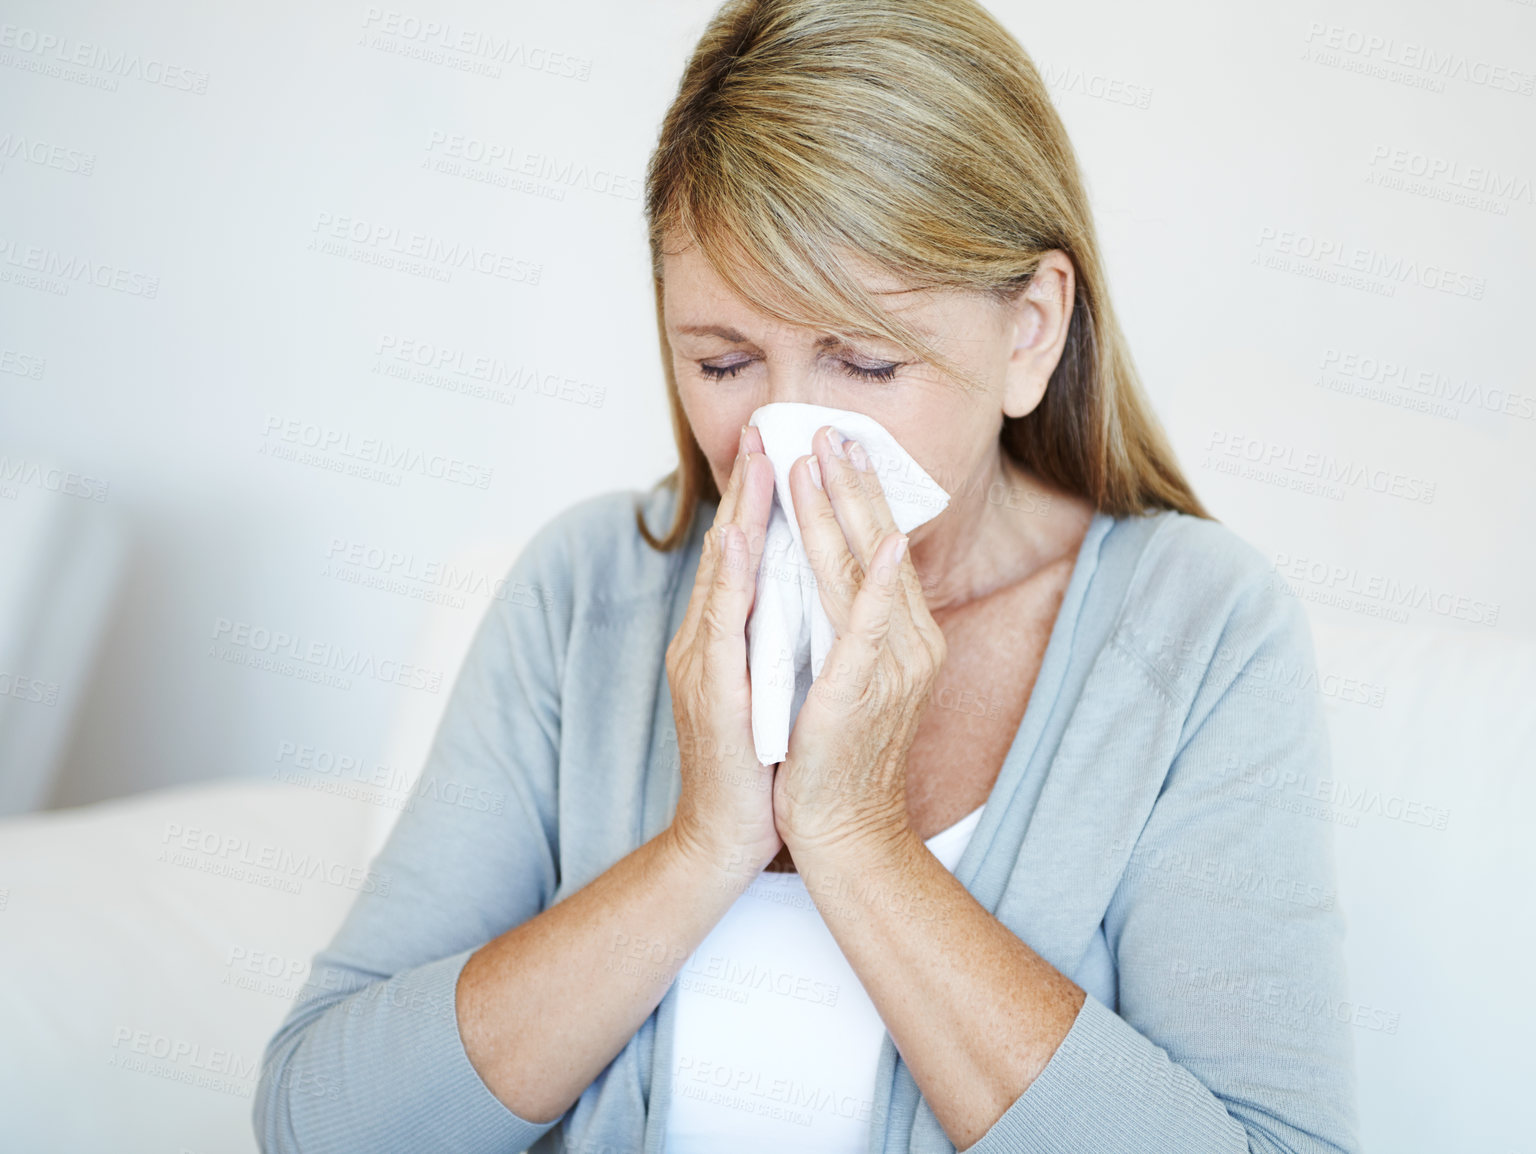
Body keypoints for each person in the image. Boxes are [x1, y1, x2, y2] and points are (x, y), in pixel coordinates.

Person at [253, 1, 1361, 1151]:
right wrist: (701, 848)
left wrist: (857, 838)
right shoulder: (586, 594)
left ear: (1029, 330)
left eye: (867, 359)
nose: (789, 434)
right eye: (724, 360)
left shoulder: (1199, 632)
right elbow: (319, 1122)